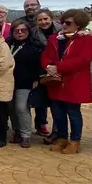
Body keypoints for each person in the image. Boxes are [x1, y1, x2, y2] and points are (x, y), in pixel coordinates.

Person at [40, 9, 92, 154]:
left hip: (74, 82)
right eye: (62, 22)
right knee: (58, 112)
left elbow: (83, 60)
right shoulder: (54, 38)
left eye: (68, 22)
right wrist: (48, 66)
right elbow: (45, 55)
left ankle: (75, 141)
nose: (64, 25)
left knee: (73, 112)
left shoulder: (86, 39)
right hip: (56, 82)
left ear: (78, 24)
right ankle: (62, 138)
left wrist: (57, 67)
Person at [7, 19, 42, 148]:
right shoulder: (8, 43)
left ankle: (26, 135)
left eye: (23, 30)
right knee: (10, 108)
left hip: (26, 82)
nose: (20, 33)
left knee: (21, 108)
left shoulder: (34, 46)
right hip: (8, 81)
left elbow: (39, 64)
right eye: (17, 30)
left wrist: (36, 79)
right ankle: (16, 131)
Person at [32, 8, 59, 136]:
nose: (43, 22)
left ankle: (57, 132)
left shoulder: (62, 31)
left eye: (46, 19)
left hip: (60, 70)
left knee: (57, 103)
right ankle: (41, 125)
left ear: (51, 18)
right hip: (41, 70)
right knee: (41, 101)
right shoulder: (33, 34)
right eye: (40, 20)